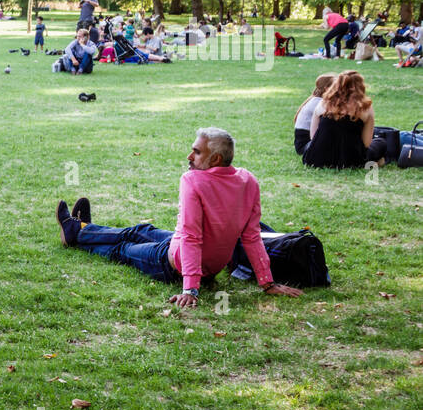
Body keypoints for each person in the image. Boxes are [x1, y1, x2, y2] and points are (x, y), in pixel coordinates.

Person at [56, 129, 304, 308]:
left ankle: (77, 236)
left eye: (196, 152)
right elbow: (250, 236)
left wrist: (191, 289)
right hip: (187, 252)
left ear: (215, 159)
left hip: (175, 265)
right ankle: (80, 229)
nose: (189, 156)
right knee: (142, 229)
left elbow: (193, 236)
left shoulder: (193, 181)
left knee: (124, 249)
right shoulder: (247, 179)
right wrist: (266, 282)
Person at [303, 70, 394, 168]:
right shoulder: (365, 108)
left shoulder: (323, 104)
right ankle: (376, 162)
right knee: (381, 143)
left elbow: (313, 137)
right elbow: (366, 144)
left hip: (316, 158)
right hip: (351, 160)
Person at [293, 72, 338, 154]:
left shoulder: (317, 99)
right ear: (327, 88)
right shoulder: (319, 103)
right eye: (337, 87)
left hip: (307, 143)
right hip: (305, 146)